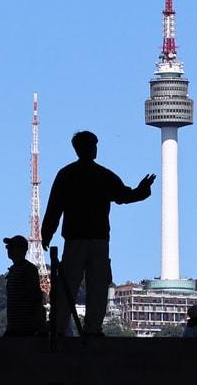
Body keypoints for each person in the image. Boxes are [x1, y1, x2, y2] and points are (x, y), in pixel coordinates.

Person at [41, 131, 155, 337]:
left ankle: (59, 328)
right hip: (99, 238)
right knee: (98, 285)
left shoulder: (66, 175)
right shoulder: (103, 175)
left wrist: (47, 232)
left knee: (69, 284)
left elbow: (54, 208)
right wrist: (142, 191)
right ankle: (92, 329)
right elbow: (125, 195)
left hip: (75, 238)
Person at [0, 236, 46, 337]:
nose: (8, 249)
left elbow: (35, 298)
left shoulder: (28, 270)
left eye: (11, 246)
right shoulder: (14, 270)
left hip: (25, 327)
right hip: (14, 325)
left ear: (21, 250)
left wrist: (35, 323)